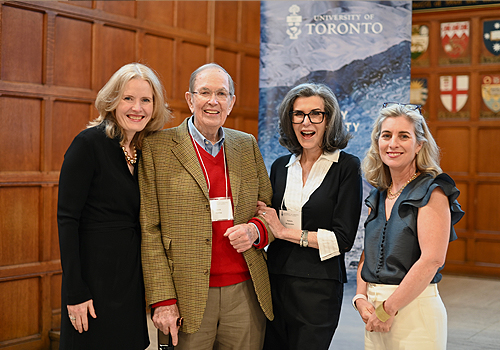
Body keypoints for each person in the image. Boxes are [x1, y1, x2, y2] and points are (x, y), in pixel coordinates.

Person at [139, 63, 274, 350]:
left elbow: (268, 209)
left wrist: (255, 231)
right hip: (186, 293)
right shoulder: (158, 148)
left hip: (245, 292)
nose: (213, 101)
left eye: (221, 94)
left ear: (231, 102)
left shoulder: (246, 145)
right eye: (205, 92)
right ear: (190, 99)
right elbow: (149, 229)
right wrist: (163, 300)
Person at [57, 63, 172, 349]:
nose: (138, 108)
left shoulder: (145, 149)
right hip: (93, 281)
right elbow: (67, 220)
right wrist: (75, 291)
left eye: (146, 100)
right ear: (112, 102)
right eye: (128, 98)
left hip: (130, 279)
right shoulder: (88, 144)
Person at [255, 83, 363, 350]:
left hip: (320, 285)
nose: (306, 122)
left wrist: (283, 233)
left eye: (316, 114)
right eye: (298, 114)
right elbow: (269, 218)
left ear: (329, 120)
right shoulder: (280, 166)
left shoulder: (346, 166)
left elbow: (343, 240)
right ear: (289, 120)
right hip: (276, 278)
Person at [353, 102, 464, 350]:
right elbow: (367, 253)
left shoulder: (432, 191)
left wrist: (388, 309)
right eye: (386, 135)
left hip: (414, 310)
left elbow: (432, 259)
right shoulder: (379, 194)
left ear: (419, 145)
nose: (393, 144)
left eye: (404, 136)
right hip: (374, 312)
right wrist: (361, 297)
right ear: (377, 142)